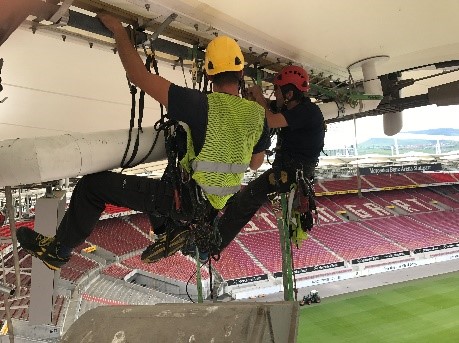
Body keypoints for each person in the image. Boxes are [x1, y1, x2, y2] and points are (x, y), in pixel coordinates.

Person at [16, 12, 269, 270]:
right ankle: (170, 232)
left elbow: (139, 76)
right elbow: (255, 164)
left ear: (209, 72)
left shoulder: (199, 105)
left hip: (182, 201)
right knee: (168, 172)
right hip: (209, 209)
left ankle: (58, 251)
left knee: (92, 188)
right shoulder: (258, 115)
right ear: (241, 72)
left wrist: (118, 31)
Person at [187, 65, 326, 260]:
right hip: (289, 173)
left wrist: (258, 99)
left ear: (289, 93)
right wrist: (255, 102)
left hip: (291, 174)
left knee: (248, 199)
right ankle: (210, 234)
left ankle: (209, 248)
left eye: (277, 90)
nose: (275, 95)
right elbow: (269, 110)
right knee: (240, 197)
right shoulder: (294, 108)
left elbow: (268, 120)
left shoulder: (307, 111)